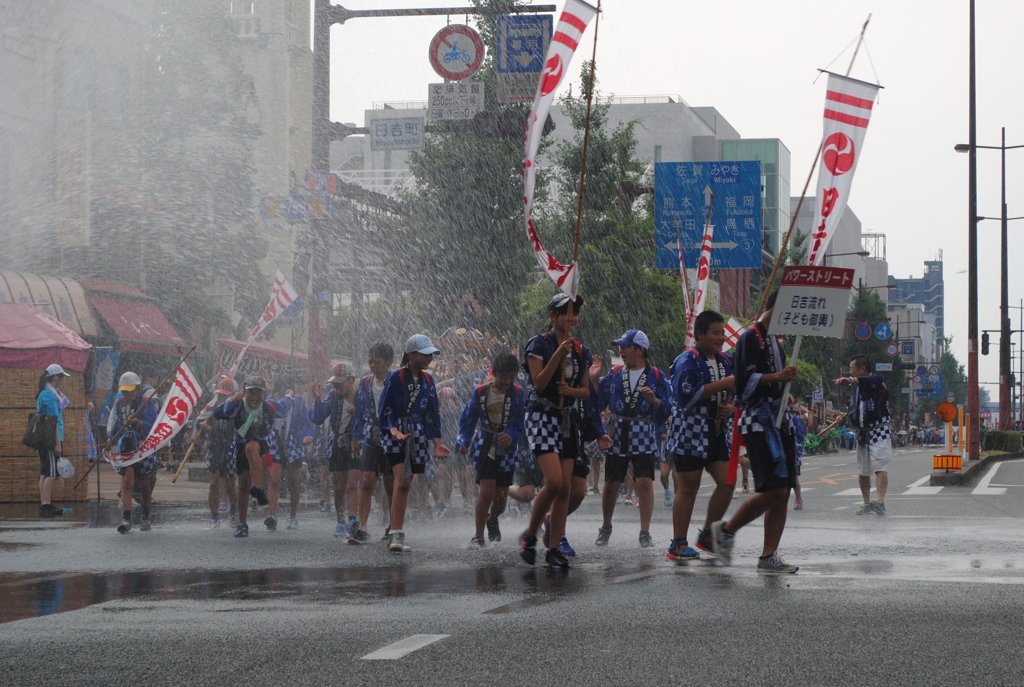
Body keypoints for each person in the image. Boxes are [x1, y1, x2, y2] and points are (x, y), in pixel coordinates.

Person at [710, 289, 800, 573]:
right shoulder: (751, 336)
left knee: (783, 491)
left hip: (779, 420)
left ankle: (768, 554)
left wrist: (783, 391)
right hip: (759, 422)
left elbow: (772, 382)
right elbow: (743, 380)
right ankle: (725, 531)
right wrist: (778, 377)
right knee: (775, 489)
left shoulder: (774, 340)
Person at [518, 293, 592, 569]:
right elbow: (538, 384)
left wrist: (570, 391)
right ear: (553, 316)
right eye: (567, 312)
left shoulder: (581, 350)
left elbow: (585, 391)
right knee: (554, 482)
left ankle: (553, 547)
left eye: (575, 313)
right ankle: (529, 535)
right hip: (541, 414)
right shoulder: (539, 344)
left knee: (566, 488)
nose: (572, 318)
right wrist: (558, 355)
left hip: (567, 419)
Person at [665, 311, 736, 559]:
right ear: (699, 335)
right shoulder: (687, 360)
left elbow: (735, 391)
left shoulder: (726, 361)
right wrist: (725, 384)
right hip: (689, 430)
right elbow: (686, 397)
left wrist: (730, 407)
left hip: (716, 430)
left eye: (722, 332)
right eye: (716, 333)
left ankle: (707, 534)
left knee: (728, 482)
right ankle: (678, 543)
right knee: (689, 486)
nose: (721, 337)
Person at [595, 329, 671, 549]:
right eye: (620, 347)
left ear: (640, 350)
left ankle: (645, 532)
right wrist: (593, 378)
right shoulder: (615, 373)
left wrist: (654, 401)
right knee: (611, 482)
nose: (621, 351)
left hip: (643, 429)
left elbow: (668, 406)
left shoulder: (657, 375)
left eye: (625, 347)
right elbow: (599, 400)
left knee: (645, 482)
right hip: (618, 429)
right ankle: (606, 527)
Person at [379, 335, 450, 553]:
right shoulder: (396, 377)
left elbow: (432, 414)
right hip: (396, 433)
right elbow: (385, 407)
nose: (429, 358)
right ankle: (395, 535)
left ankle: (396, 532)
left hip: (417, 434)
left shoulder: (429, 380)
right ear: (411, 354)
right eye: (425, 354)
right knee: (402, 481)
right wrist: (393, 430)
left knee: (406, 483)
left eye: (431, 355)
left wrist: (437, 442)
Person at [457, 352, 526, 547]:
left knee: (501, 500)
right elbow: (468, 418)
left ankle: (492, 519)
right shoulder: (480, 392)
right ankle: (478, 536)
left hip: (507, 448)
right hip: (485, 444)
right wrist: (463, 441)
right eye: (503, 377)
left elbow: (522, 420)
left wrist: (511, 433)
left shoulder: (518, 393)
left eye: (512, 377)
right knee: (486, 491)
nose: (507, 381)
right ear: (494, 373)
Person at [213, 376, 277, 538]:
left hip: (262, 443)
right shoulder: (238, 405)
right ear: (244, 393)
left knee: (252, 447)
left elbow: (270, 427)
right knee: (242, 485)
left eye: (258, 392)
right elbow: (217, 413)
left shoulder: (267, 408)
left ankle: (259, 489)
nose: (254, 396)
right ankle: (242, 523)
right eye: (251, 392)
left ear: (264, 394)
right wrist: (232, 400)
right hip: (240, 444)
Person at [350, 343, 396, 544]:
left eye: (377, 362)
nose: (373, 365)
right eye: (370, 361)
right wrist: (355, 437)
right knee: (367, 480)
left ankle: (393, 525)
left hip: (391, 435)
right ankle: (362, 527)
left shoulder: (396, 381)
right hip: (370, 435)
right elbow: (359, 410)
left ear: (388, 362)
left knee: (390, 483)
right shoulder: (365, 382)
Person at [835, 354, 892, 515]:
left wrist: (850, 380)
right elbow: (858, 411)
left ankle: (880, 501)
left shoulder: (877, 380)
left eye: (852, 368)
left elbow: (868, 381)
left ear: (862, 368)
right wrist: (846, 418)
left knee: (880, 467)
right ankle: (866, 503)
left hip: (879, 430)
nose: (850, 372)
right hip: (862, 433)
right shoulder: (857, 389)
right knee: (863, 471)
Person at [310, 363, 359, 537]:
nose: (338, 386)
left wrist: (357, 412)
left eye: (341, 382)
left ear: (351, 380)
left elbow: (371, 417)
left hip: (356, 444)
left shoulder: (361, 396)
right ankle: (340, 521)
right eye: (335, 383)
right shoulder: (333, 396)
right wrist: (317, 399)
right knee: (338, 486)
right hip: (338, 444)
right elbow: (318, 417)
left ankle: (352, 519)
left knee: (352, 483)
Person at [110, 371, 159, 534]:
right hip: (127, 446)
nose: (128, 394)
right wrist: (112, 438)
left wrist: (139, 422)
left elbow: (153, 426)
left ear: (137, 389)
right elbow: (118, 424)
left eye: (130, 390)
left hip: (143, 447)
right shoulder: (119, 403)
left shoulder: (146, 403)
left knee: (144, 482)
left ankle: (145, 515)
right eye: (125, 391)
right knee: (127, 481)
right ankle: (126, 519)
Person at [192, 376, 239, 529]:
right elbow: (199, 419)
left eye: (224, 395)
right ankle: (214, 516)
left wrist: (209, 429)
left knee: (230, 485)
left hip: (229, 450)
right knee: (213, 484)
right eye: (219, 394)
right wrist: (196, 431)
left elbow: (228, 433)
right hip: (214, 449)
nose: (220, 398)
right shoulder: (212, 407)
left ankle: (234, 511)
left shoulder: (236, 410)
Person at [36, 364, 71, 518]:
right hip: (50, 438)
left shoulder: (44, 393)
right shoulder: (50, 396)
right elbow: (53, 421)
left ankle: (46, 503)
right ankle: (45, 506)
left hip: (44, 438)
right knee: (52, 473)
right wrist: (57, 443)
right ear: (55, 378)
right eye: (61, 377)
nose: (62, 380)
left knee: (46, 472)